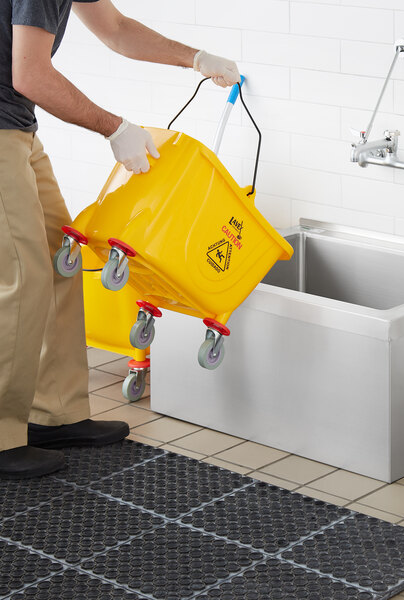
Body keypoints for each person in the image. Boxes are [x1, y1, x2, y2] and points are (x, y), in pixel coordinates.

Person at [0, 0, 240, 479]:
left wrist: (196, 58)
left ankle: (55, 413)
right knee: (24, 279)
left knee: (60, 259)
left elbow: (115, 27)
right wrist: (116, 128)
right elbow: (30, 75)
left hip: (18, 128)